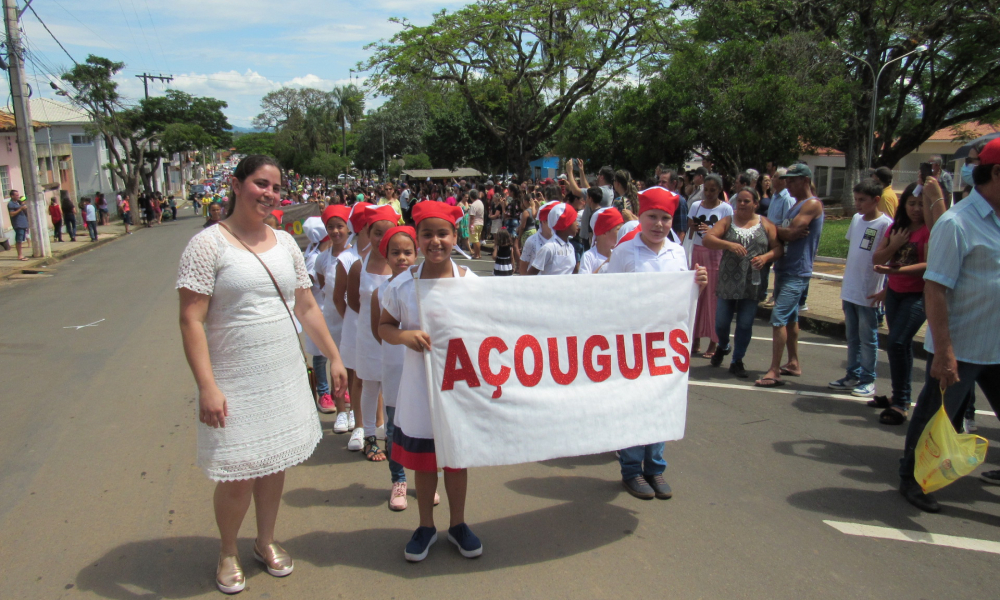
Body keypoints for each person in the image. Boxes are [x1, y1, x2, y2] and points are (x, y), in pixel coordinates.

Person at [176, 154, 348, 593]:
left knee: (273, 466)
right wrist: (207, 385)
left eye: (275, 187)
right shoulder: (207, 245)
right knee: (238, 473)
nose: (269, 194)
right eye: (259, 183)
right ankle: (228, 550)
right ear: (235, 184)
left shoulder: (287, 244)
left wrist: (334, 356)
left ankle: (265, 541)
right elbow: (191, 320)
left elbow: (306, 307)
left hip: (282, 371)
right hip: (234, 376)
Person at [897, 138, 1000, 513]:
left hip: (998, 343)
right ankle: (912, 479)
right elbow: (936, 289)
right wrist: (944, 351)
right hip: (965, 344)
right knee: (934, 414)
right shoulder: (957, 224)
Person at [378, 201, 482, 562]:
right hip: (420, 386)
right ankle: (425, 526)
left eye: (443, 234)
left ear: (456, 236)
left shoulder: (471, 282)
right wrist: (404, 337)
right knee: (423, 460)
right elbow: (384, 327)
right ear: (416, 237)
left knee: (455, 457)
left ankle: (457, 524)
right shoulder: (402, 285)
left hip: (459, 385)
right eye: (427, 234)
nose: (435, 241)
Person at [605, 186, 708, 500]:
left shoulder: (677, 252)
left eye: (665, 218)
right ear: (641, 217)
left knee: (662, 404)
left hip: (666, 344)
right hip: (632, 344)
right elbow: (608, 297)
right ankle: (632, 469)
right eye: (652, 217)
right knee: (635, 405)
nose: (659, 224)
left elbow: (683, 299)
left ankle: (656, 467)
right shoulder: (624, 251)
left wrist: (698, 285)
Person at [755, 164, 824, 387]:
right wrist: (783, 231)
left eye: (792, 180)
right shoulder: (796, 205)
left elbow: (793, 233)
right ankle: (793, 362)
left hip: (797, 270)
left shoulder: (811, 204)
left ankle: (774, 370)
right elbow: (788, 231)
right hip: (786, 267)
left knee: (779, 318)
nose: (788, 184)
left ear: (805, 181)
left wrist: (771, 227)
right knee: (791, 318)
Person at [702, 188, 783, 378]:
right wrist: (728, 245)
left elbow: (778, 248)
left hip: (752, 283)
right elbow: (708, 239)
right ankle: (723, 345)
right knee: (721, 323)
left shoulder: (766, 224)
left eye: (747, 201)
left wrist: (766, 257)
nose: (742, 204)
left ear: (756, 203)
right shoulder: (728, 222)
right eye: (739, 201)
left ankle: (737, 359)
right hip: (728, 281)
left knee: (745, 324)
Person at [867, 183, 926, 424]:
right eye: (912, 203)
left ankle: (901, 403)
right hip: (895, 293)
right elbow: (878, 257)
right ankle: (899, 397)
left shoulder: (932, 230)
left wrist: (896, 270)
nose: (916, 209)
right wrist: (895, 245)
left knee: (898, 342)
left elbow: (930, 266)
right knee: (901, 346)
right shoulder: (897, 228)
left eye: (921, 204)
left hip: (919, 295)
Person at [827, 180, 893, 398]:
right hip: (850, 288)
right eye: (856, 199)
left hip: (868, 290)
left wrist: (885, 287)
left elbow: (886, 259)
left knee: (868, 337)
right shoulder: (856, 219)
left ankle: (868, 379)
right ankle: (852, 374)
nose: (858, 204)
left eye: (862, 200)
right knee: (852, 336)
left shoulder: (885, 224)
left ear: (876, 200)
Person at [370, 226, 418, 510]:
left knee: (424, 424)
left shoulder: (424, 286)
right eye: (395, 252)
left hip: (421, 367)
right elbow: (380, 330)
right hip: (393, 366)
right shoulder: (382, 290)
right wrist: (397, 343)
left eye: (407, 252)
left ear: (417, 254)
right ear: (385, 256)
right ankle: (398, 480)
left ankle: (425, 477)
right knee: (393, 428)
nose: (402, 258)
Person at [348, 205, 398, 461]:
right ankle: (369, 436)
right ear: (368, 232)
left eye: (387, 233)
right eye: (376, 233)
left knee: (392, 388)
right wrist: (372, 323)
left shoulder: (401, 264)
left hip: (394, 338)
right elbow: (355, 302)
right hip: (367, 336)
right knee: (369, 386)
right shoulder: (358, 266)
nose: (382, 239)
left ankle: (391, 436)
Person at [334, 202, 373, 442]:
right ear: (362, 228)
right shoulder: (347, 259)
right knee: (357, 377)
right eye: (373, 229)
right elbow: (340, 298)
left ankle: (378, 423)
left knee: (377, 376)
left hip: (381, 328)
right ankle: (359, 426)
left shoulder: (387, 254)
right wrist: (354, 320)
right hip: (356, 325)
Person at [688, 174, 734, 358]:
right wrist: (697, 226)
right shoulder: (695, 206)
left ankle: (714, 342)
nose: (708, 193)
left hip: (716, 254)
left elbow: (729, 233)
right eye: (706, 189)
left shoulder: (726, 208)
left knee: (712, 298)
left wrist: (712, 233)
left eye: (712, 190)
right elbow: (690, 225)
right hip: (698, 252)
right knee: (696, 296)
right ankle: (695, 339)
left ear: (720, 190)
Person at [315, 205, 353, 421]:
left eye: (340, 226)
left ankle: (355, 412)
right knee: (335, 362)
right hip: (332, 317)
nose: (336, 231)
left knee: (354, 367)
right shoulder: (322, 259)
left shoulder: (356, 256)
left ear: (348, 228)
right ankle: (340, 412)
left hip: (352, 316)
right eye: (331, 227)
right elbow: (323, 287)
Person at [527, 202, 579, 276]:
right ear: (565, 224)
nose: (577, 224)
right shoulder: (549, 248)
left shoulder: (570, 247)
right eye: (574, 220)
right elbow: (530, 275)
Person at [578, 207, 624, 275]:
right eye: (618, 229)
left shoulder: (617, 254)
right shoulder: (589, 256)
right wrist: (607, 262)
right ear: (604, 232)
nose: (621, 232)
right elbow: (584, 282)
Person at [518, 201, 557, 275]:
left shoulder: (560, 241)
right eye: (553, 221)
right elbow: (523, 268)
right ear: (544, 221)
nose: (556, 224)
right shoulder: (532, 241)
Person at [7, 190, 29, 260]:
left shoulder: (18, 203)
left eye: (18, 195)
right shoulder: (11, 204)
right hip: (18, 224)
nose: (18, 196)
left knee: (21, 240)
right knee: (19, 240)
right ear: (12, 196)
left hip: (23, 223)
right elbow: (12, 214)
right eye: (16, 195)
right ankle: (20, 255)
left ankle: (21, 254)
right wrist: (20, 209)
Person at [468, 190, 484, 258]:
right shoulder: (480, 202)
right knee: (477, 239)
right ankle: (477, 253)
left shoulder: (473, 205)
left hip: (475, 223)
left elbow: (472, 217)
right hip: (480, 223)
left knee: (475, 240)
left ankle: (477, 254)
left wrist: (471, 226)